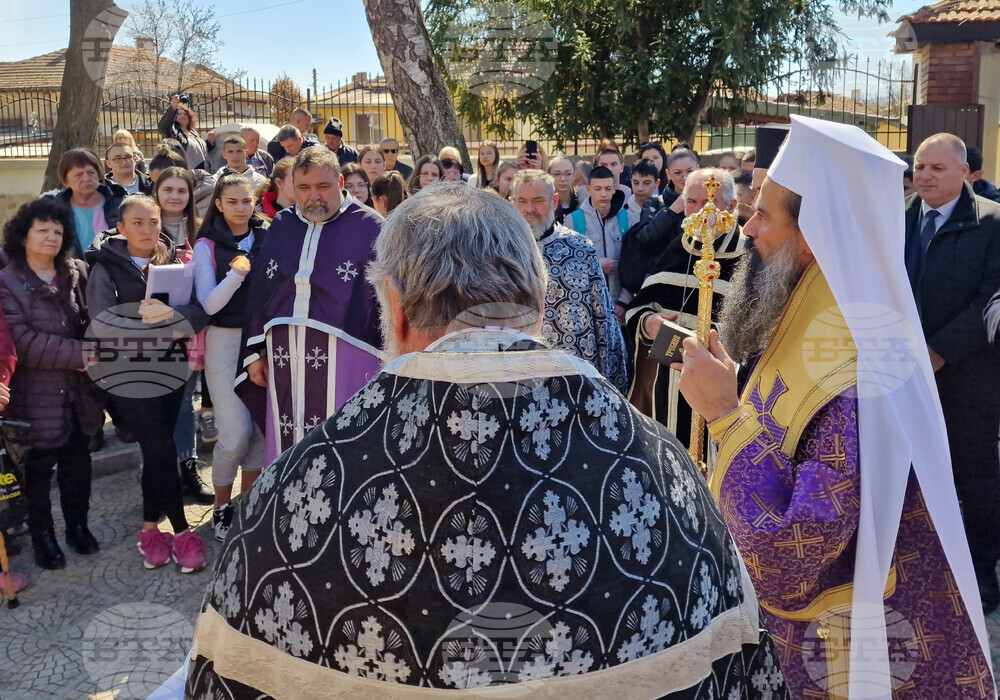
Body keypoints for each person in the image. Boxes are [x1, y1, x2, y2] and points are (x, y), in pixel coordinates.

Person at [187, 181, 789, 698]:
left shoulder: (301, 482)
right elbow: (745, 664)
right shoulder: (660, 465)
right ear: (539, 302)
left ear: (393, 309)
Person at [677, 115, 994, 698]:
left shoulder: (851, 365)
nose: (748, 229)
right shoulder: (810, 314)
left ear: (815, 233)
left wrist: (724, 414)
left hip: (843, 641)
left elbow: (793, 552)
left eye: (763, 213)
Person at [86, 195, 209, 573]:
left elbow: (200, 312)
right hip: (127, 377)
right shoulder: (104, 268)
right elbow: (105, 325)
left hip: (171, 374)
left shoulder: (172, 263)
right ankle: (184, 532)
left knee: (158, 455)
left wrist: (173, 315)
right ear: (121, 228)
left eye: (153, 222)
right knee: (161, 451)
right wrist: (162, 329)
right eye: (138, 223)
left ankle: (149, 529)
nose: (148, 230)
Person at [904, 132, 1000, 613]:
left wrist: (939, 351)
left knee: (975, 476)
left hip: (968, 379)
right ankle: (914, 569)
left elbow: (991, 297)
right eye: (919, 166)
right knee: (909, 474)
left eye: (937, 169)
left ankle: (982, 574)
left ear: (965, 172)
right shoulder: (895, 221)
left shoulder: (992, 223)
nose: (924, 176)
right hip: (901, 375)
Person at [237, 147, 383, 462]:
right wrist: (254, 353)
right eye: (304, 188)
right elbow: (262, 290)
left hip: (349, 351)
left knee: (342, 445)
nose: (313, 196)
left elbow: (387, 300)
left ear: (341, 181)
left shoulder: (372, 226)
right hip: (283, 355)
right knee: (288, 441)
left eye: (323, 186)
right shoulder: (283, 224)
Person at [0, 199, 103, 570]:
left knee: (79, 463)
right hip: (33, 395)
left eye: (57, 231)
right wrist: (81, 354)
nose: (51, 237)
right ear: (23, 236)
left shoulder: (76, 271)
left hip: (79, 394)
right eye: (42, 230)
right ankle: (43, 536)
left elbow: (94, 319)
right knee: (38, 473)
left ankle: (78, 526)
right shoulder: (7, 281)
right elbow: (20, 341)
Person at [621, 168, 744, 442]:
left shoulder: (751, 259)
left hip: (719, 394)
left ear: (732, 207)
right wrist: (650, 323)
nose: (699, 212)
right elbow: (638, 307)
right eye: (692, 202)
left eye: (709, 203)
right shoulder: (677, 247)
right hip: (666, 389)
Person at [193, 175, 269, 542]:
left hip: (266, 341)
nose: (241, 207)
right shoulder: (206, 245)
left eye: (247, 200)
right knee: (235, 433)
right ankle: (222, 505)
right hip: (224, 340)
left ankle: (248, 504)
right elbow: (208, 303)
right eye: (233, 201)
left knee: (259, 431)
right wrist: (237, 275)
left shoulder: (268, 236)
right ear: (219, 204)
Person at [512, 169, 629, 392]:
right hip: (519, 373)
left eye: (538, 201)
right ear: (512, 202)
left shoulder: (580, 248)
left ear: (554, 200)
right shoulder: (499, 250)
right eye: (522, 201)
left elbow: (604, 318)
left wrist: (612, 383)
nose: (529, 209)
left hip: (573, 375)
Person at [563, 165, 636, 318]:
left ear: (614, 189)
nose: (603, 194)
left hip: (620, 309)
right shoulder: (573, 221)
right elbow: (566, 265)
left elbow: (636, 263)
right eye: (597, 189)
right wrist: (596, 263)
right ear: (588, 190)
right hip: (586, 309)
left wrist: (624, 302)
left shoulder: (627, 218)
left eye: (608, 188)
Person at [47, 148, 126, 259]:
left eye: (91, 172)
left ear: (99, 175)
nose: (86, 179)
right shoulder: (53, 210)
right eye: (78, 175)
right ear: (66, 181)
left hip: (112, 272)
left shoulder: (120, 203)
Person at [158, 94, 209, 170]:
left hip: (201, 173)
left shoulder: (193, 132)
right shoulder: (174, 132)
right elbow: (163, 127)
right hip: (185, 172)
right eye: (178, 114)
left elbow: (198, 152)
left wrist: (210, 144)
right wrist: (173, 107)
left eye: (185, 114)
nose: (182, 116)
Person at [548, 156, 579, 224]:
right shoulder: (545, 204)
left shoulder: (582, 203)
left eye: (568, 174)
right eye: (557, 174)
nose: (563, 179)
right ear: (549, 176)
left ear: (574, 176)